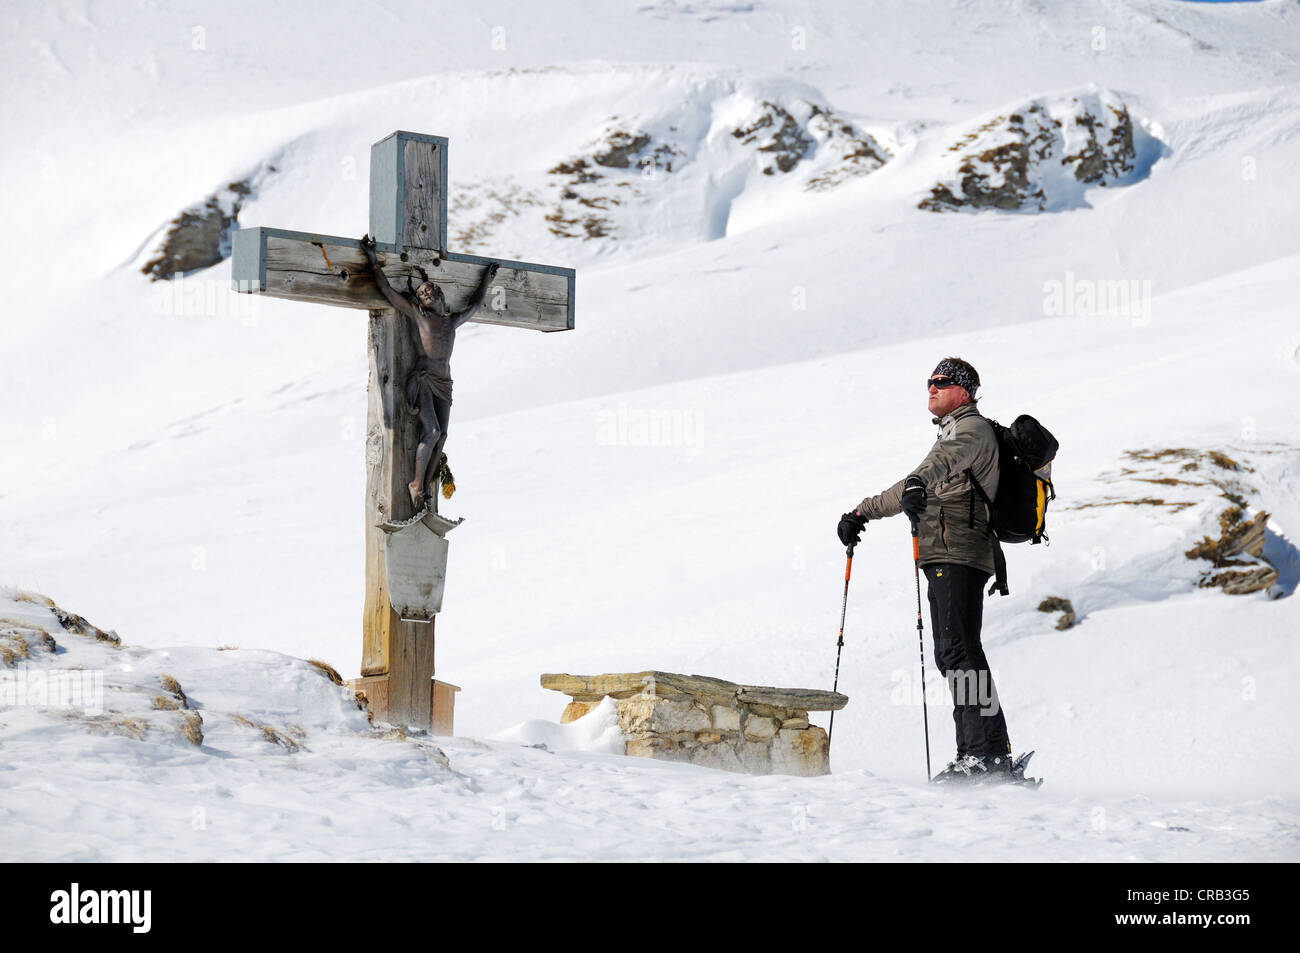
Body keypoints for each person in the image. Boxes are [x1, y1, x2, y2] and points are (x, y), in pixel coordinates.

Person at [837, 357, 1017, 783]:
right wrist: (863, 511)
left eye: (943, 382)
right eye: (929, 382)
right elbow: (914, 482)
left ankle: (986, 755)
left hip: (959, 550)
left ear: (966, 391)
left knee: (959, 651)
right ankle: (977, 752)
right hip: (947, 550)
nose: (932, 388)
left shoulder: (970, 430)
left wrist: (915, 486)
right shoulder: (955, 430)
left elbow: (928, 472)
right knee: (954, 652)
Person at [361, 234, 498, 508]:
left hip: (444, 383)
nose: (426, 293)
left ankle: (426, 485)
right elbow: (388, 292)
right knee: (432, 431)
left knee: (443, 435)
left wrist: (486, 279)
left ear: (440, 295)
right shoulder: (418, 315)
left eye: (431, 290)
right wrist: (373, 259)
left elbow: (475, 304)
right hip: (423, 381)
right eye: (422, 293)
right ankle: (416, 484)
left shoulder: (451, 321)